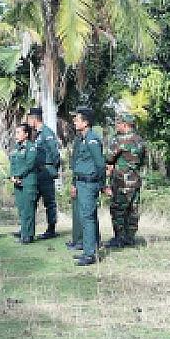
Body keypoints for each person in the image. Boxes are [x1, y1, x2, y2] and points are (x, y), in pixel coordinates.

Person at [68, 107, 104, 266]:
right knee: (88, 216)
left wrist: (102, 185)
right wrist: (75, 183)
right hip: (82, 182)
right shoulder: (82, 139)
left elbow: (100, 164)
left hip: (89, 183)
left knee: (87, 217)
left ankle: (90, 254)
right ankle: (92, 248)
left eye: (77, 119)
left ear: (86, 122)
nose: (74, 121)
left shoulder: (92, 139)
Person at [105, 112, 145, 248]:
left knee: (118, 210)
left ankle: (119, 239)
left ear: (125, 125)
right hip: (135, 180)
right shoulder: (140, 140)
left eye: (118, 123)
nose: (116, 126)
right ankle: (130, 237)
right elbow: (142, 160)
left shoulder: (119, 140)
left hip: (121, 182)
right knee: (133, 210)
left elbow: (109, 158)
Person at [27, 107, 60, 239]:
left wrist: (52, 169)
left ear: (34, 119)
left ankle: (51, 229)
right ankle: (27, 230)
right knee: (32, 201)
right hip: (38, 172)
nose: (28, 121)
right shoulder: (38, 134)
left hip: (46, 172)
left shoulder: (47, 133)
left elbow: (55, 153)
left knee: (49, 202)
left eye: (29, 118)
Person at [10, 123, 42, 244]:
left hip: (28, 182)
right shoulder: (16, 148)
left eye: (19, 132)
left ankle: (28, 235)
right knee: (21, 209)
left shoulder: (31, 147)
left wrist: (18, 175)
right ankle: (24, 233)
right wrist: (12, 176)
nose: (16, 135)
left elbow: (30, 164)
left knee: (28, 209)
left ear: (26, 134)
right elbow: (12, 164)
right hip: (17, 183)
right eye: (16, 132)